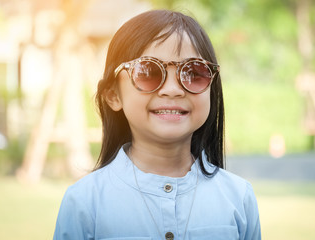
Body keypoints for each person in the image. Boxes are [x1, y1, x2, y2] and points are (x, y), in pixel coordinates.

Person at [53, 9, 261, 240]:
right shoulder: (84, 202)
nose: (172, 89)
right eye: (148, 71)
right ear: (113, 95)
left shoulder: (239, 198)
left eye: (193, 72)